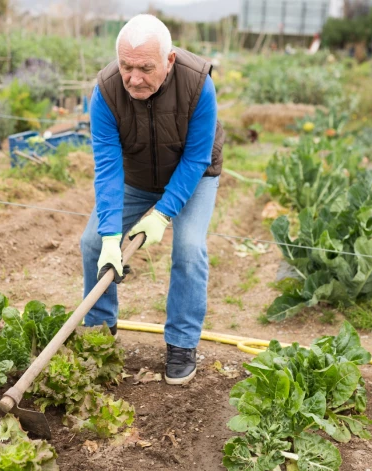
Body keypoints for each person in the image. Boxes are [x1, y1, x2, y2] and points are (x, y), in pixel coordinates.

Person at [80, 14, 224, 385]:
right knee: (94, 241)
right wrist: (113, 236)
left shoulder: (197, 84)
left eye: (145, 68)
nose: (134, 78)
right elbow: (108, 167)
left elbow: (196, 158)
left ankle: (181, 342)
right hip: (138, 176)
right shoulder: (107, 91)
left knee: (189, 248)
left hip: (194, 175)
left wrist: (162, 215)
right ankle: (99, 332)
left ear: (169, 61)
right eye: (126, 66)